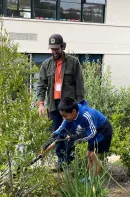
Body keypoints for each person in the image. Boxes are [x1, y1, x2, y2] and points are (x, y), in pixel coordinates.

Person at [37, 34, 84, 168]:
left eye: (56, 49)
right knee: (57, 132)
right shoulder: (46, 65)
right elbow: (41, 85)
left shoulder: (74, 62)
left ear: (63, 47)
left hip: (69, 104)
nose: (54, 52)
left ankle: (71, 160)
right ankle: (61, 161)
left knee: (70, 132)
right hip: (54, 105)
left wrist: (80, 104)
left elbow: (79, 84)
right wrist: (41, 103)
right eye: (52, 49)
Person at [43, 97, 113, 177]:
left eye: (66, 116)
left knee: (93, 156)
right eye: (63, 116)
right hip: (92, 132)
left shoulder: (87, 115)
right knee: (88, 155)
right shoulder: (69, 118)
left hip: (102, 131)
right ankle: (90, 178)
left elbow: (92, 133)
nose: (64, 119)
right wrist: (46, 145)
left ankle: (93, 182)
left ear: (73, 111)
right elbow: (59, 132)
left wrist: (74, 137)